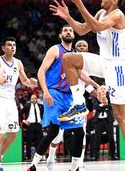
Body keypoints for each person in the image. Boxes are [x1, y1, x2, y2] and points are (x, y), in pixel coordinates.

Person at [50, 0, 125, 169]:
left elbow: (97, 27)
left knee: (120, 114)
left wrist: (78, 1)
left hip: (117, 66)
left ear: (114, 1)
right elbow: (84, 30)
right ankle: (78, 104)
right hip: (103, 61)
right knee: (68, 59)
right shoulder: (100, 12)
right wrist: (68, 17)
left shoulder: (118, 15)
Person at [27, 27, 98, 171]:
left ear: (73, 35)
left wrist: (97, 86)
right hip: (54, 93)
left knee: (80, 132)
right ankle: (33, 164)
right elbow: (41, 71)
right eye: (65, 30)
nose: (68, 32)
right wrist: (45, 92)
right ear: (60, 35)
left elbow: (81, 75)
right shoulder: (55, 50)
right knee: (53, 131)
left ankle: (74, 167)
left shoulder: (75, 55)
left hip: (70, 96)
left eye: (71, 31)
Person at [0, 37, 38, 171]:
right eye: (9, 45)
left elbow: (24, 81)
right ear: (3, 48)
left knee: (13, 133)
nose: (12, 47)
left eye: (14, 45)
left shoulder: (18, 63)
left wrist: (31, 83)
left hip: (10, 100)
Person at [46, 39, 99, 171]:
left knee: (82, 132)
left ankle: (79, 162)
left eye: (84, 45)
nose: (82, 47)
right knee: (58, 134)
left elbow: (86, 84)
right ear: (75, 49)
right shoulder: (70, 59)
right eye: (79, 45)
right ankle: (51, 156)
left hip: (79, 102)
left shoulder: (88, 64)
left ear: (87, 49)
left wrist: (96, 92)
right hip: (65, 98)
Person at [19, 94, 44, 160]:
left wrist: (43, 121)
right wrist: (24, 121)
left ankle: (38, 156)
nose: (33, 100)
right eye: (32, 98)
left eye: (35, 98)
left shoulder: (40, 106)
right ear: (30, 99)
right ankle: (28, 156)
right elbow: (20, 113)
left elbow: (44, 114)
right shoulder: (27, 106)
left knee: (39, 141)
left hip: (38, 125)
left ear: (37, 99)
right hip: (30, 125)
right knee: (29, 141)